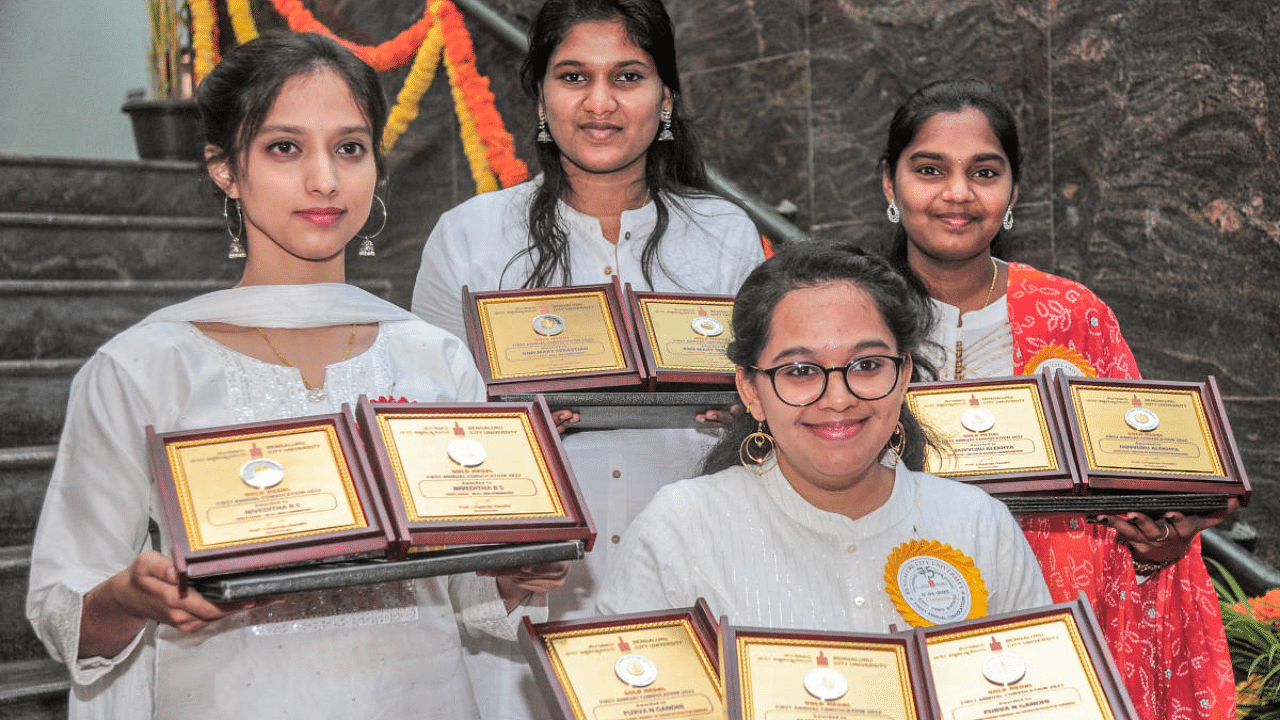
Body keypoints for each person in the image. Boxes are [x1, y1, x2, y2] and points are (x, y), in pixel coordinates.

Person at [25, 32, 561, 720]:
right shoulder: (144, 367)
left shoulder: (436, 360)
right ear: (224, 167)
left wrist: (518, 573)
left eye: (349, 147)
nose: (325, 180)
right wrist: (129, 597)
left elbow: (467, 595)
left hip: (419, 696)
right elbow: (63, 609)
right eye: (285, 148)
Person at [411, 1, 763, 717]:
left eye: (627, 76)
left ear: (666, 97)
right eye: (574, 76)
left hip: (697, 594)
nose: (600, 103)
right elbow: (422, 433)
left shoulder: (725, 234)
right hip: (525, 607)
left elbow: (777, 414)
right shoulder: (469, 238)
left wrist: (745, 420)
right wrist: (508, 436)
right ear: (539, 92)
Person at [878, 78, 1235, 720]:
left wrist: (1159, 544)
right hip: (888, 601)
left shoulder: (1073, 315)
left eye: (983, 172)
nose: (957, 193)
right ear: (889, 185)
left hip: (1058, 619)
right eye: (929, 169)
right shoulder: (849, 314)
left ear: (1012, 192)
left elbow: (1138, 473)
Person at [597, 241, 1052, 629]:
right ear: (750, 390)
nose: (838, 398)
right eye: (800, 370)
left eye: (868, 365)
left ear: (905, 373)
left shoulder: (977, 525)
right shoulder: (683, 527)